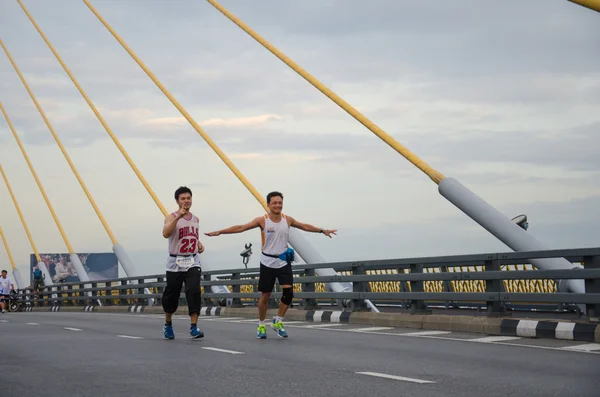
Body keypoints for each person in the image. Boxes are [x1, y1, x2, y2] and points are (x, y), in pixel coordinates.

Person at [205, 191, 337, 339]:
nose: (277, 205)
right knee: (265, 295)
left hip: (282, 261)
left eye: (280, 202)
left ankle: (278, 321)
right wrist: (220, 232)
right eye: (274, 202)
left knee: (289, 293)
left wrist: (322, 230)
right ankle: (261, 324)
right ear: (268, 205)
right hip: (267, 262)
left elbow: (304, 226)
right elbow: (241, 228)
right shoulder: (263, 220)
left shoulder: (287, 220)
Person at [161, 186, 205, 340]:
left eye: (188, 198)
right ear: (177, 201)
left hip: (192, 260)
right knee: (172, 294)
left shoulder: (196, 219)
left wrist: (198, 243)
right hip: (175, 261)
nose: (186, 201)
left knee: (194, 290)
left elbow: (191, 234)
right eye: (183, 199)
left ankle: (194, 327)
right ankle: (168, 323)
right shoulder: (171, 217)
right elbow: (166, 233)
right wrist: (178, 217)